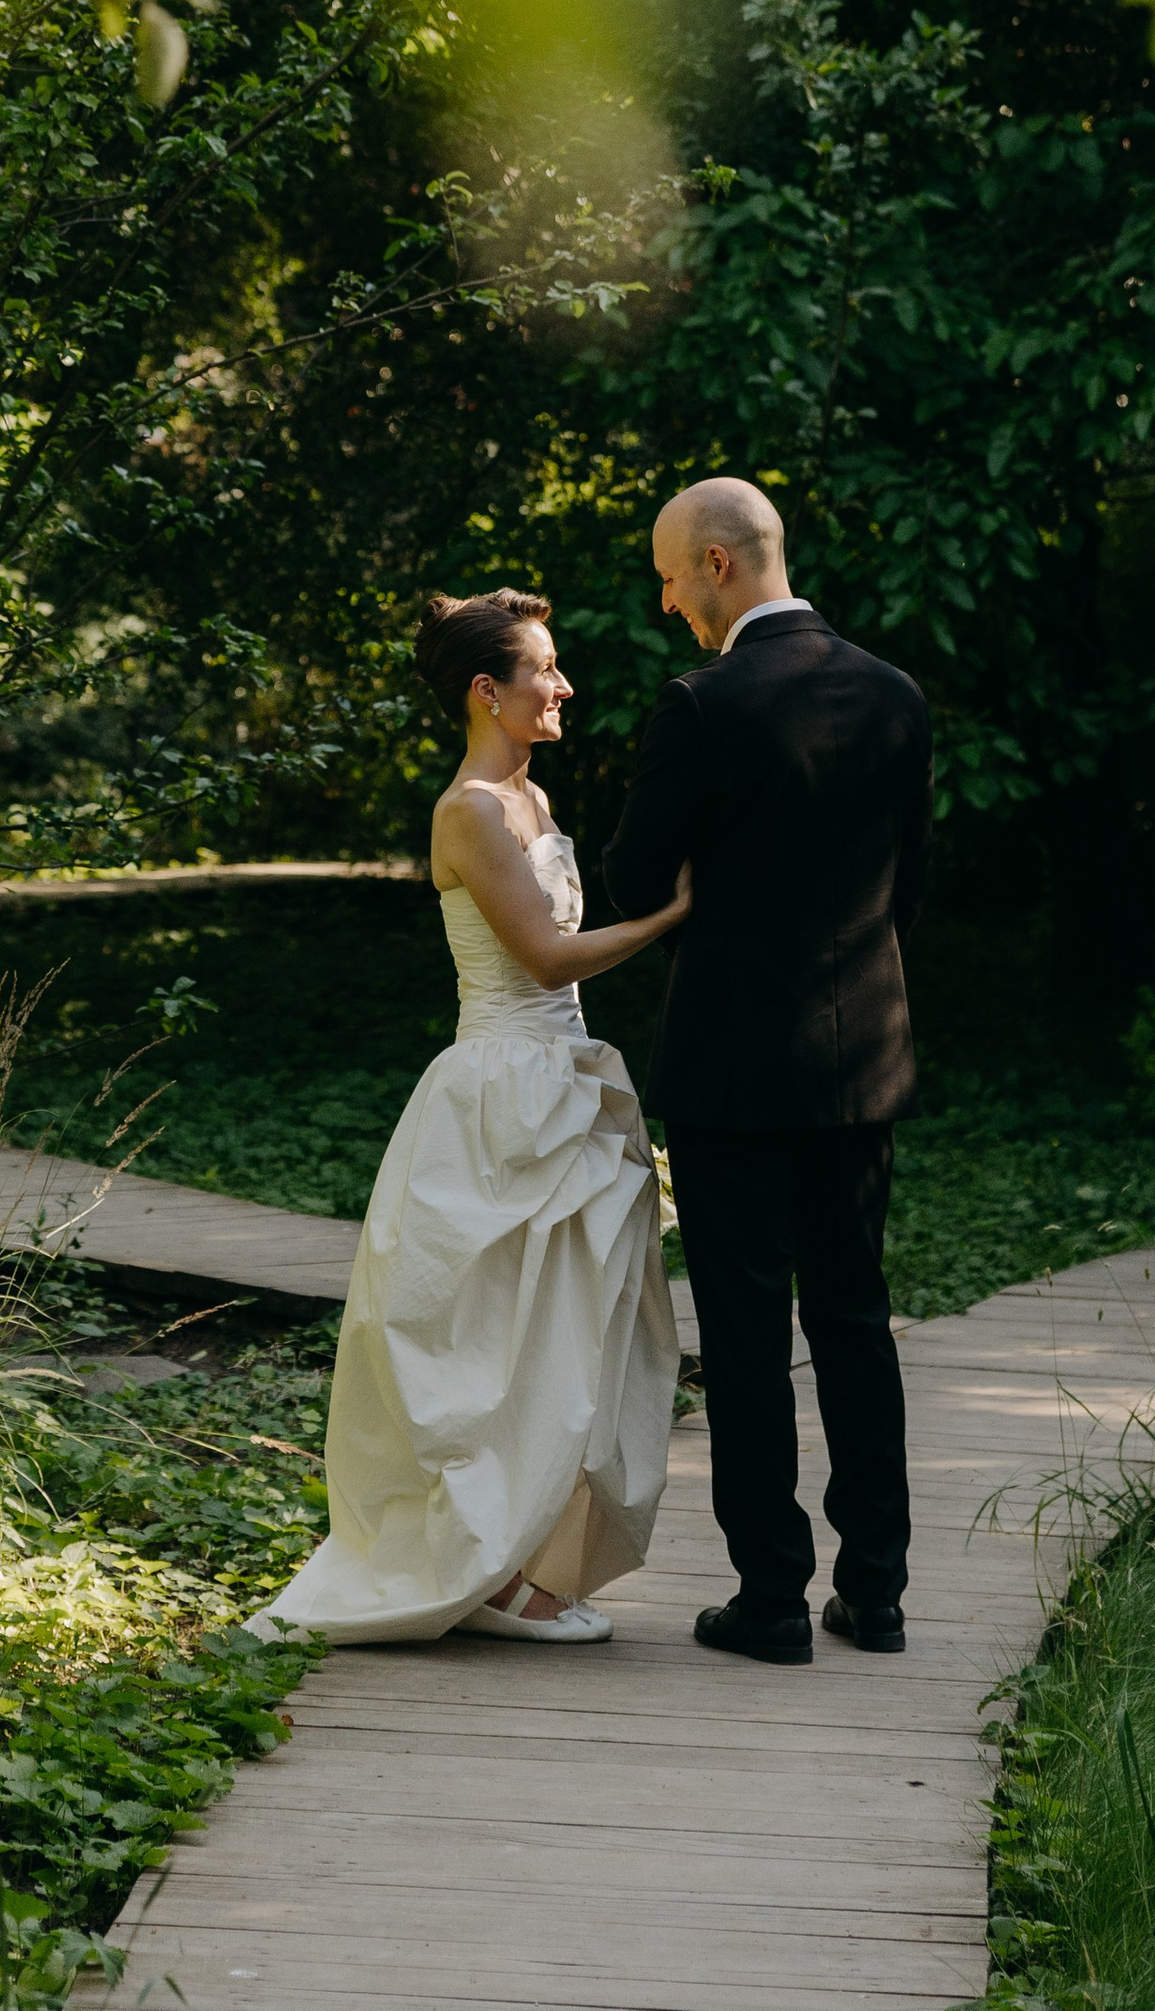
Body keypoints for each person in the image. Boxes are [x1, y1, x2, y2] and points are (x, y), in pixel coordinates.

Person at [253, 587, 691, 1647]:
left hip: (565, 1079)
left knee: (566, 1331)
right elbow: (542, 959)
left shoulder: (531, 801)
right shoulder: (471, 812)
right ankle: (485, 1569)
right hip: (501, 1093)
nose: (563, 685)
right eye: (544, 669)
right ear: (486, 691)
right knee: (489, 1339)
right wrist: (675, 915)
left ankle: (524, 1557)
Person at [604, 477, 931, 1666]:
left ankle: (772, 1599)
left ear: (718, 567)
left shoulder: (703, 707)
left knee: (745, 1327)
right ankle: (879, 1593)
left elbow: (637, 880)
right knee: (853, 1318)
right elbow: (910, 881)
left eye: (670, 574)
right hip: (863, 1061)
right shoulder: (895, 696)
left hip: (735, 1069)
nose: (665, 598)